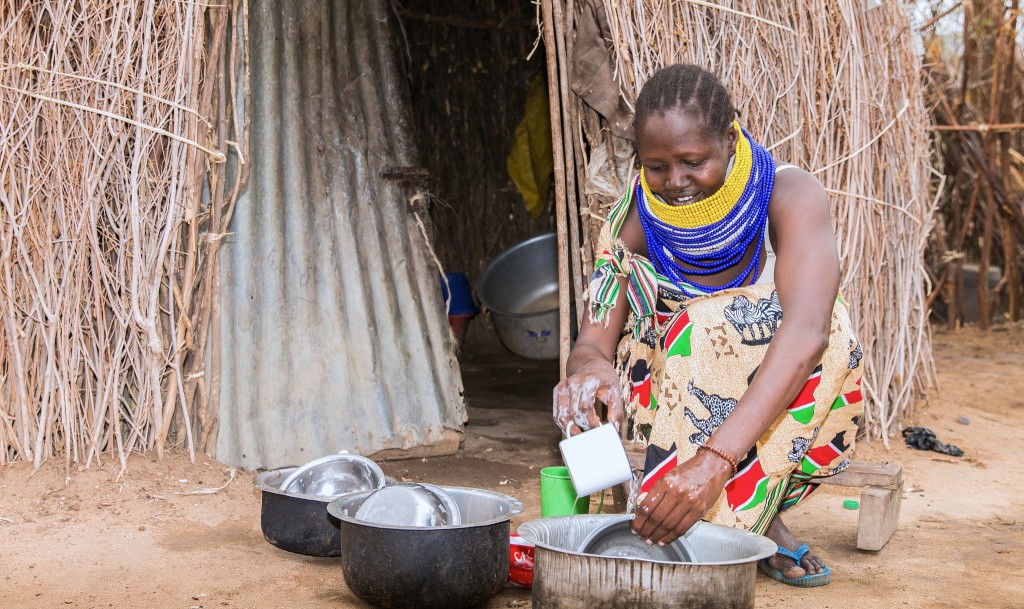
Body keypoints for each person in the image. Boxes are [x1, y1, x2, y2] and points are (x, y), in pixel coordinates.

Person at [552, 64, 863, 588]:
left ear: (730, 136)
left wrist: (714, 461)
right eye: (656, 166)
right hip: (675, 388)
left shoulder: (788, 195)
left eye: (692, 161)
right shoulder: (637, 217)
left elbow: (810, 331)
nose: (675, 182)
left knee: (788, 324)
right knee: (674, 341)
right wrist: (590, 371)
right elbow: (591, 340)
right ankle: (725, 522)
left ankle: (741, 511)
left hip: (775, 392)